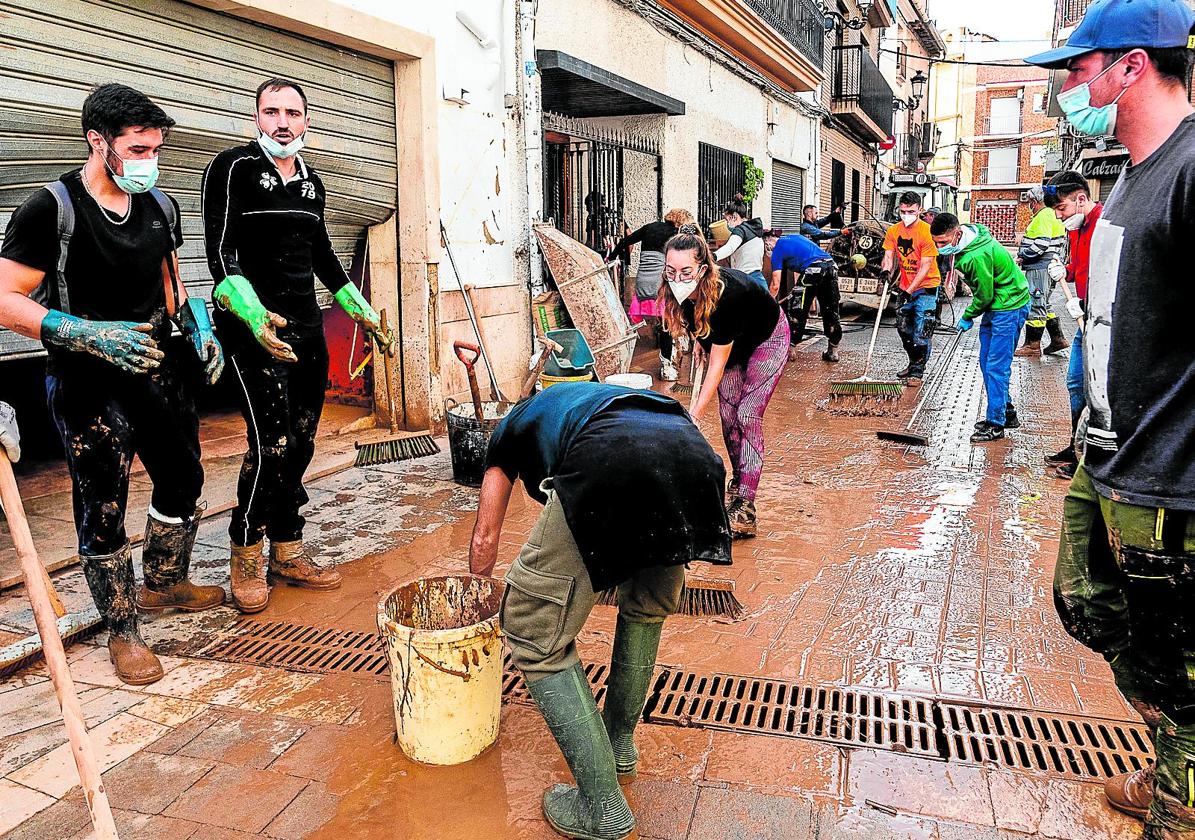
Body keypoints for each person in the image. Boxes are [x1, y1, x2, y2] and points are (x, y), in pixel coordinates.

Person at [1026, 2, 1195, 832]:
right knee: (1085, 600)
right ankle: (1177, 748)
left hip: (1172, 477)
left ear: (1131, 65)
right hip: (1109, 455)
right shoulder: (1132, 172)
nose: (1067, 86)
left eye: (1076, 68)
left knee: (1179, 659)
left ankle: (1181, 799)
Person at [0, 84, 226, 685]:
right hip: (86, 377)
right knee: (103, 501)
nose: (149, 159)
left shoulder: (160, 205)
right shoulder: (50, 209)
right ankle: (122, 630)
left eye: (156, 148)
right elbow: (4, 299)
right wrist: (85, 332)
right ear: (98, 142)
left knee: (184, 478)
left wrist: (196, 323)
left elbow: (170, 280)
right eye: (138, 148)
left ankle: (165, 583)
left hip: (157, 361)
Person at [469, 381, 730, 840]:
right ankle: (619, 746)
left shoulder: (508, 430)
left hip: (612, 461)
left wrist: (472, 599)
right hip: (692, 457)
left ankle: (602, 807)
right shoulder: (574, 400)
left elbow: (486, 537)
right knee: (647, 608)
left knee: (531, 624)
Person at [202, 78, 391, 613]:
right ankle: (245, 548)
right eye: (271, 111)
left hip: (306, 329)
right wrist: (251, 310)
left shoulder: (312, 183)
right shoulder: (232, 168)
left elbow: (325, 254)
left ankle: (287, 548)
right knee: (271, 444)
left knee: (303, 441)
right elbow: (220, 252)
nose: (282, 121)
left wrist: (361, 309)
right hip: (251, 327)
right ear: (256, 118)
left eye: (293, 112)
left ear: (307, 121)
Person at [659, 229, 789, 537]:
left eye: (686, 272)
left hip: (767, 339)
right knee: (729, 417)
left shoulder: (727, 295)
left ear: (702, 269)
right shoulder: (675, 295)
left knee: (747, 414)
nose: (677, 278)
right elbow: (703, 334)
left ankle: (746, 504)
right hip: (732, 344)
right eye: (671, 271)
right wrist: (702, 344)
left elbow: (717, 366)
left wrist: (693, 416)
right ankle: (740, 477)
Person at [930, 214, 1031, 442]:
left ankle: (996, 423)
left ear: (957, 234)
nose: (940, 247)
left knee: (996, 366)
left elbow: (984, 296)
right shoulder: (970, 236)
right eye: (936, 243)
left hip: (1009, 305)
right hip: (998, 304)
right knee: (987, 361)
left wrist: (967, 315)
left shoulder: (975, 256)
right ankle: (1007, 411)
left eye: (943, 243)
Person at [1042, 170, 1102, 480]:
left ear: (1081, 199)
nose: (1059, 215)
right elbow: (1080, 267)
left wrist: (1090, 302)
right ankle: (1076, 446)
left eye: (1062, 208)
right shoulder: (1075, 228)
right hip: (1084, 321)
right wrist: (1064, 270)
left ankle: (1093, 458)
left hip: (1104, 323)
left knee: (1099, 390)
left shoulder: (1106, 224)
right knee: (1077, 383)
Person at [612, 208, 695, 381]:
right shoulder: (676, 235)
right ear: (681, 222)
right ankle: (666, 365)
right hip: (661, 285)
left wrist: (611, 257)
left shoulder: (649, 227)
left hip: (642, 284)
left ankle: (619, 361)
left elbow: (625, 242)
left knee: (635, 325)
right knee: (668, 322)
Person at [881, 191, 941, 386]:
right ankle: (913, 361)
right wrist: (885, 270)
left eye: (911, 211)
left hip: (927, 287)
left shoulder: (927, 232)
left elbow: (925, 267)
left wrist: (910, 290)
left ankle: (917, 371)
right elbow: (889, 255)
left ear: (919, 210)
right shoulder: (893, 231)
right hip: (905, 286)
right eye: (903, 211)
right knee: (903, 329)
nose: (906, 215)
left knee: (921, 331)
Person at [767, 232, 842, 363]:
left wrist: (766, 305)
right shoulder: (795, 237)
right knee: (831, 309)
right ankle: (833, 351)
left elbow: (775, 285)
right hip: (831, 266)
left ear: (767, 243)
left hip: (813, 270)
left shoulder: (777, 248)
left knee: (797, 308)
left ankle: (790, 350)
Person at [1016, 186, 1070, 357]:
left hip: (1040, 267)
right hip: (1048, 266)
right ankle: (1057, 338)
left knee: (1036, 303)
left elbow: (1041, 244)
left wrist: (1023, 255)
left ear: (1035, 201)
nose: (1030, 206)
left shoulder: (1043, 216)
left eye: (1030, 202)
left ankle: (1032, 345)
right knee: (1045, 303)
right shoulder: (1052, 215)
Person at [713, 195, 767, 287]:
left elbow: (730, 247)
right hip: (759, 279)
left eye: (726, 219)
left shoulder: (741, 230)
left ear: (734, 217)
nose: (726, 224)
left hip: (746, 280)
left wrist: (713, 256)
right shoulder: (754, 229)